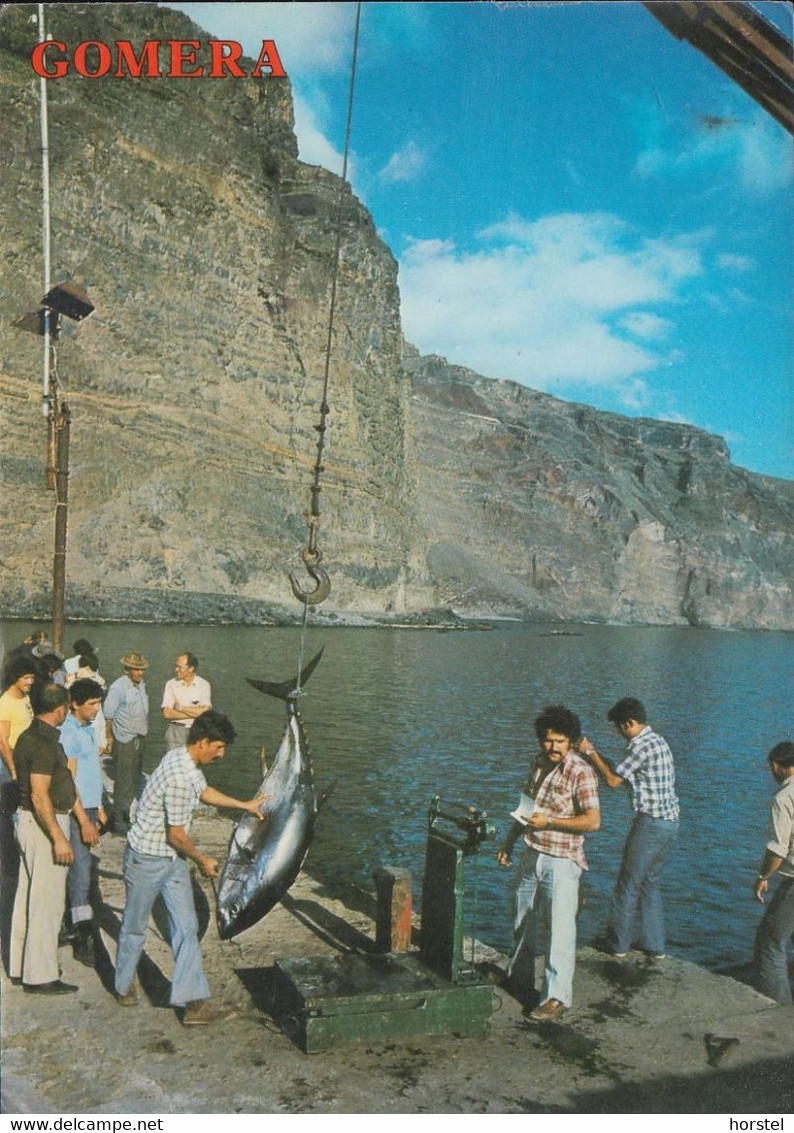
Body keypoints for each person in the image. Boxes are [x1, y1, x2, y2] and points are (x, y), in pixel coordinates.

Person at [113, 710, 265, 1025]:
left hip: (171, 860)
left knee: (186, 928)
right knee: (134, 926)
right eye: (219, 748)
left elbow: (204, 792)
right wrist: (204, 860)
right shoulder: (181, 775)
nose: (222, 755)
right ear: (203, 742)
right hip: (147, 859)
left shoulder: (185, 760)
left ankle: (193, 1004)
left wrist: (243, 805)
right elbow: (178, 835)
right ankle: (123, 984)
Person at [497, 704, 600, 1021]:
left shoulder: (581, 771)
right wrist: (509, 842)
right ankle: (519, 979)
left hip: (563, 859)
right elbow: (528, 807)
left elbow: (593, 821)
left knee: (559, 929)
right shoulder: (538, 763)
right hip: (531, 850)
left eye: (559, 741)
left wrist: (551, 822)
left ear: (570, 741)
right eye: (547, 740)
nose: (553, 747)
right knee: (521, 917)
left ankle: (556, 997)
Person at [9, 683, 99, 994]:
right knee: (47, 903)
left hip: (29, 823)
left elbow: (65, 783)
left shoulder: (30, 737)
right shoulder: (44, 744)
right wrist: (59, 838)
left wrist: (84, 819)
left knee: (27, 898)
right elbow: (40, 795)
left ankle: (21, 966)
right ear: (61, 709)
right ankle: (41, 975)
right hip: (43, 825)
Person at [578, 697, 679, 961]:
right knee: (650, 883)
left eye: (620, 728)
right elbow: (624, 772)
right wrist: (596, 754)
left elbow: (612, 780)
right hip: (670, 823)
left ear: (629, 723)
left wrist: (589, 753)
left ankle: (618, 945)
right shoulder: (657, 741)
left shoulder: (639, 746)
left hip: (651, 824)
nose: (620, 734)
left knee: (627, 884)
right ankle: (654, 946)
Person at [60, 678, 107, 967]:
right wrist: (84, 820)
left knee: (83, 870)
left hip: (90, 807)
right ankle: (80, 934)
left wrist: (99, 806)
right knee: (80, 873)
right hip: (78, 811)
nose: (97, 709)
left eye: (99, 703)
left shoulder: (87, 728)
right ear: (75, 704)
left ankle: (72, 923)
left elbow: (92, 772)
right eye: (92, 704)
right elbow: (68, 782)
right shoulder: (69, 733)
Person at [753, 741, 794, 1005]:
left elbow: (778, 851)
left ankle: (778, 1016)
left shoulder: (783, 797)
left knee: (769, 944)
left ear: (775, 765)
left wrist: (762, 877)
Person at [103, 651, 150, 835]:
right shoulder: (118, 688)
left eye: (142, 670)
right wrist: (109, 738)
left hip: (139, 739)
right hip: (125, 740)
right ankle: (119, 824)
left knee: (133, 780)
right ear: (127, 670)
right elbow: (108, 715)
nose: (140, 673)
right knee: (124, 783)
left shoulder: (140, 685)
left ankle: (125, 818)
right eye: (136, 670)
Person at [161, 653, 211, 751]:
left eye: (179, 667)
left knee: (193, 765)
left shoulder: (204, 685)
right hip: (176, 732)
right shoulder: (171, 684)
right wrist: (196, 713)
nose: (176, 670)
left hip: (196, 732)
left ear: (191, 668)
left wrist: (180, 708)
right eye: (176, 666)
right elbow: (166, 713)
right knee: (175, 764)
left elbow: (206, 713)